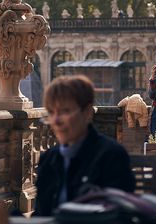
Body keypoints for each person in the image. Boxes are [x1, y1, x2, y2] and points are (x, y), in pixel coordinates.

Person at [34, 75, 135, 216]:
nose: (56, 120)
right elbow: (40, 216)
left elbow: (118, 217)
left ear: (87, 113)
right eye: (51, 112)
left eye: (65, 111)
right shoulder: (48, 159)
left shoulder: (112, 156)